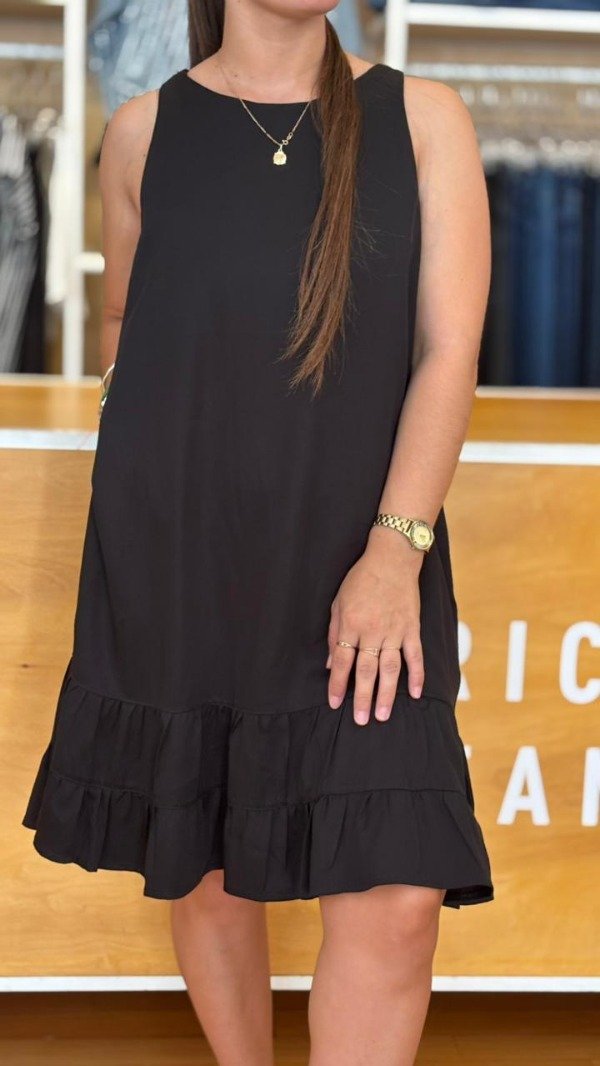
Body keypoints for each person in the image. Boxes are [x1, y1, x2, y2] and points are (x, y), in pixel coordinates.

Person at [23, 1, 494, 1062]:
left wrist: (395, 550)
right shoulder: (143, 132)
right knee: (206, 863)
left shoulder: (423, 119)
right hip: (181, 554)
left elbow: (449, 350)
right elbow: (126, 324)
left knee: (398, 900)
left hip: (361, 552)